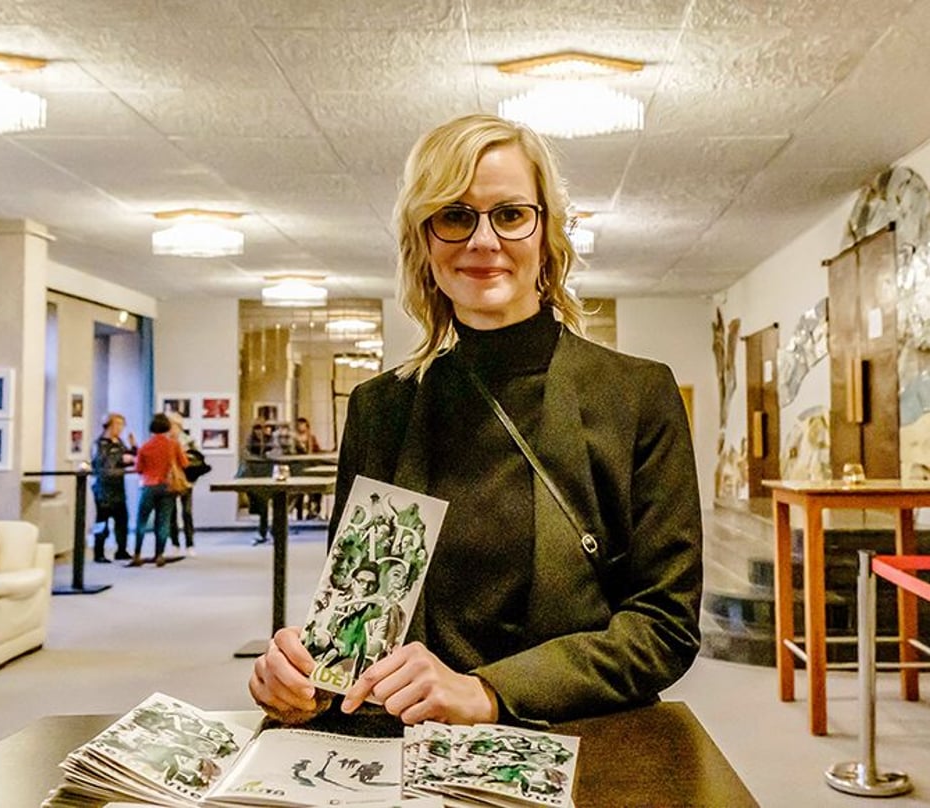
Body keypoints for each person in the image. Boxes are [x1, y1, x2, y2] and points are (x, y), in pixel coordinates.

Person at [249, 112, 702, 728]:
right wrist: (306, 677)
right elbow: (359, 617)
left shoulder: (636, 395)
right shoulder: (381, 409)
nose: (483, 242)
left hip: (576, 734)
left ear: (547, 233)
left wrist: (486, 691)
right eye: (455, 216)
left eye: (510, 215)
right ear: (424, 240)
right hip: (405, 749)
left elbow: (664, 626)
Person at [131, 412, 188, 567]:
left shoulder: (145, 446)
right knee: (163, 522)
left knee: (142, 521)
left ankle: (137, 553)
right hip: (168, 486)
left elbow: (139, 468)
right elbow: (184, 463)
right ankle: (159, 555)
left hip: (149, 486)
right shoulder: (174, 444)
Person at [91, 412, 137, 562]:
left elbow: (130, 459)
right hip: (104, 489)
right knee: (102, 522)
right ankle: (99, 552)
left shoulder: (119, 442)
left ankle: (121, 550)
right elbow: (103, 463)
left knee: (122, 521)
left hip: (119, 488)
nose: (120, 428)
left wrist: (134, 447)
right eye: (118, 425)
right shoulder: (100, 444)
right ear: (110, 425)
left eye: (122, 425)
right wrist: (121, 459)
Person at [167, 411, 198, 557]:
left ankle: (190, 543)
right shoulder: (165, 441)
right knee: (171, 513)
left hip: (186, 480)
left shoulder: (188, 440)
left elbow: (197, 460)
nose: (171, 428)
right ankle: (174, 543)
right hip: (170, 480)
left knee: (187, 513)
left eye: (173, 425)